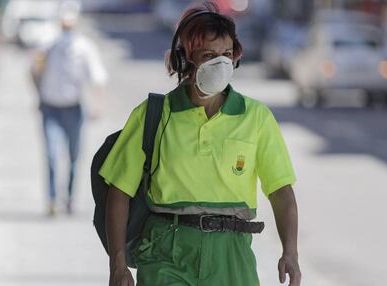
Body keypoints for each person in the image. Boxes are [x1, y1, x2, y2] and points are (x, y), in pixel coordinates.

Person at [100, 1, 300, 285]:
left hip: (232, 255)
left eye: (227, 54)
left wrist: (290, 251)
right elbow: (118, 191)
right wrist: (117, 265)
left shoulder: (256, 117)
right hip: (167, 252)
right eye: (209, 54)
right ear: (185, 59)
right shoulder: (154, 114)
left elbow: (281, 191)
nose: (221, 63)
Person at [31, 0, 108, 216]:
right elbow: (34, 71)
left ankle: (70, 199)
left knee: (74, 158)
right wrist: (38, 95)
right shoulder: (47, 45)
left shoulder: (84, 48)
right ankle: (53, 201)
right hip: (50, 109)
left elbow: (98, 78)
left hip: (74, 110)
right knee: (52, 156)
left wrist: (97, 106)